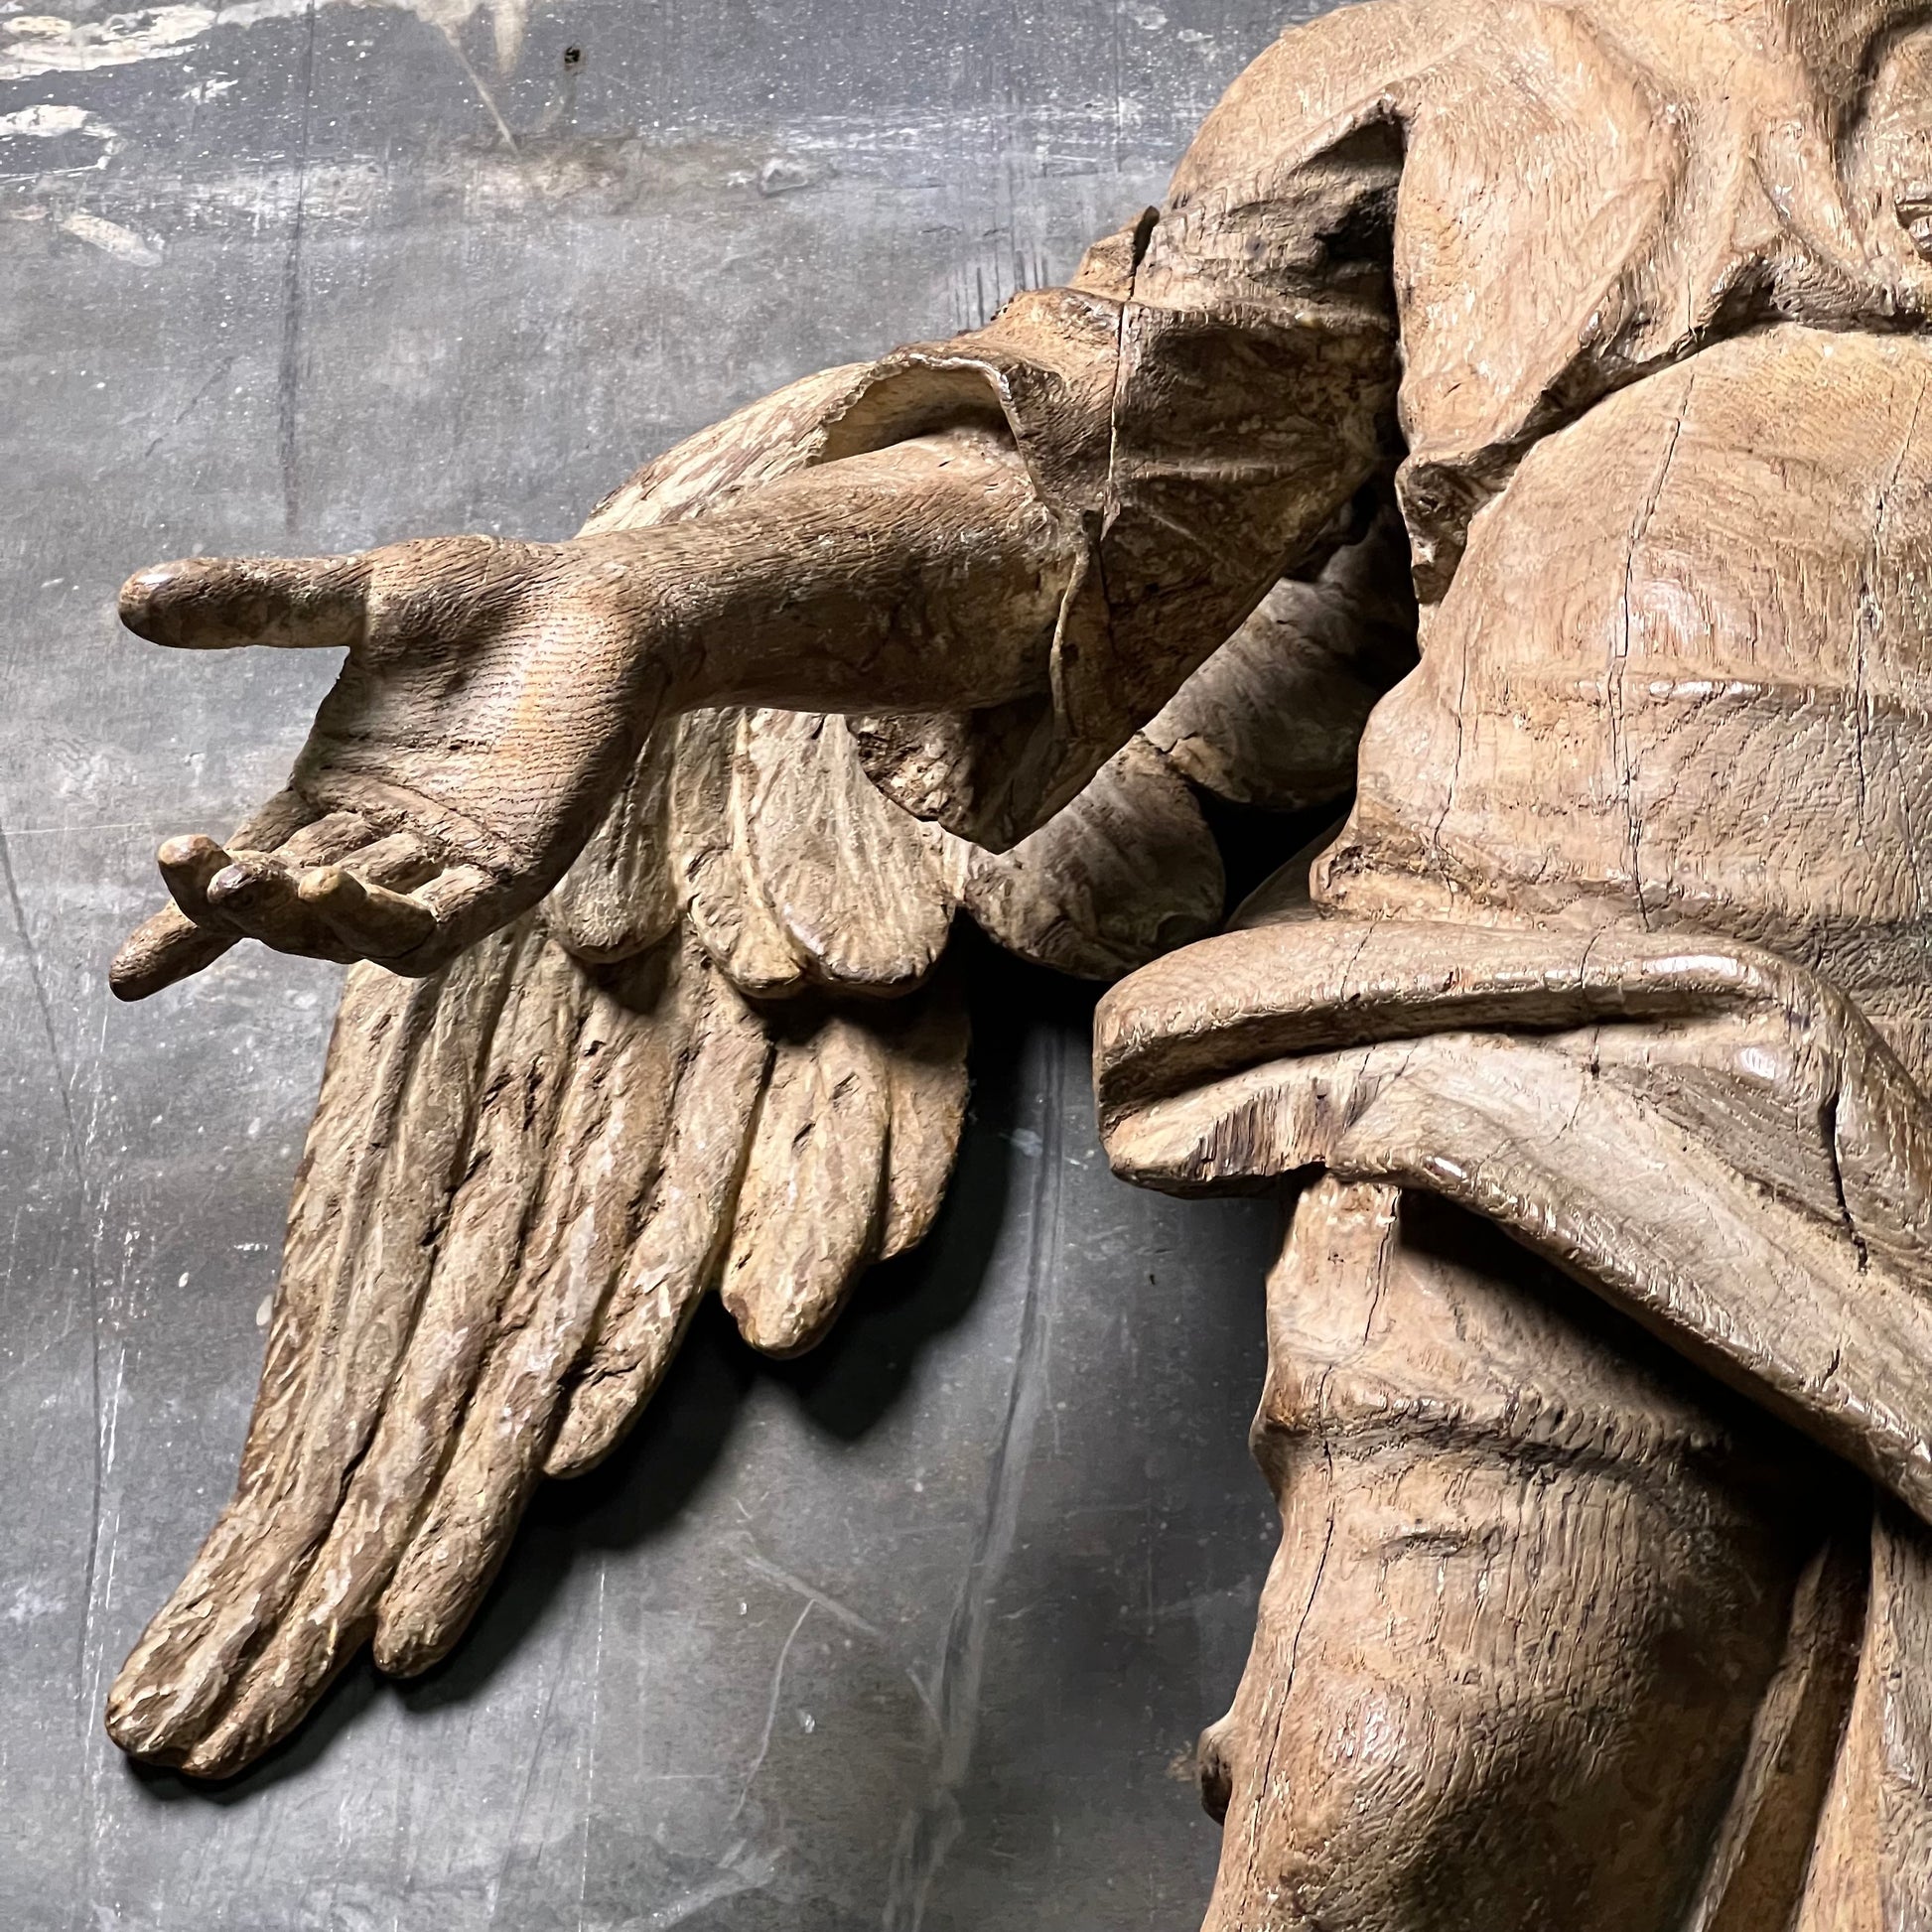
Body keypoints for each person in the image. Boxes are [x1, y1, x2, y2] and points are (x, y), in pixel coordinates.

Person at [108, 0, 1932, 1920]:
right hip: (1550, 1051)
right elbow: (1094, 493)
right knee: (1404, 1791)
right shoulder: (1470, 56)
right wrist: (645, 605)